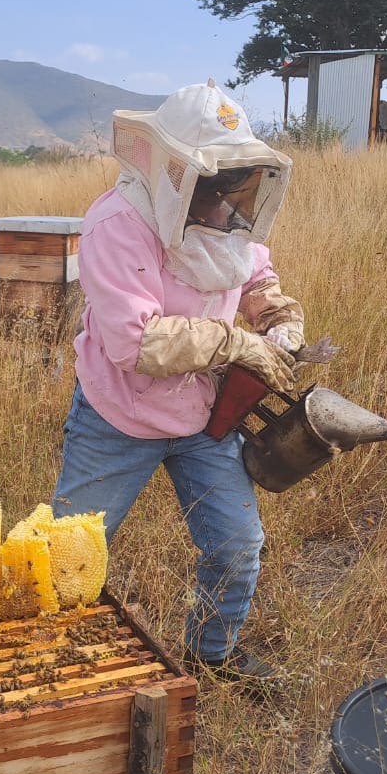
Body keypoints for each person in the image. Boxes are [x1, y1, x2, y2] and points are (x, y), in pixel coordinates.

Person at [51, 79, 306, 692]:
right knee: (67, 558)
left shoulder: (224, 218)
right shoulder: (116, 224)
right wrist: (237, 345)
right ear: (176, 173)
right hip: (117, 418)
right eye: (216, 189)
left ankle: (210, 655)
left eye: (236, 189)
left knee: (238, 547)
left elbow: (251, 272)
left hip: (204, 420)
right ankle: (50, 670)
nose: (227, 206)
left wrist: (276, 316)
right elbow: (135, 344)